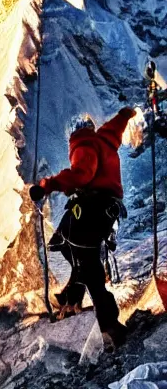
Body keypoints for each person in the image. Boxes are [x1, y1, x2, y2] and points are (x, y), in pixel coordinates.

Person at [30, 107, 136, 350]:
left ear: (73, 133)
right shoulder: (104, 138)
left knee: (86, 263)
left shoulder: (84, 143)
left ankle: (109, 325)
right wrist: (125, 114)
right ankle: (71, 298)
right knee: (71, 247)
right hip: (106, 209)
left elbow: (82, 174)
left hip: (91, 207)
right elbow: (115, 127)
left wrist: (47, 185)